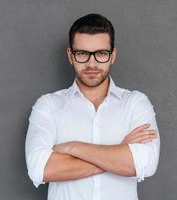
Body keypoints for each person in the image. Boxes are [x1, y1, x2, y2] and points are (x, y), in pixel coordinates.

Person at [25, 13, 160, 200]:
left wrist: (72, 147)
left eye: (101, 54)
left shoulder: (136, 103)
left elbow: (145, 163)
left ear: (113, 56)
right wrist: (118, 152)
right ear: (70, 56)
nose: (92, 63)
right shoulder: (48, 105)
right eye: (82, 54)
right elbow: (41, 169)